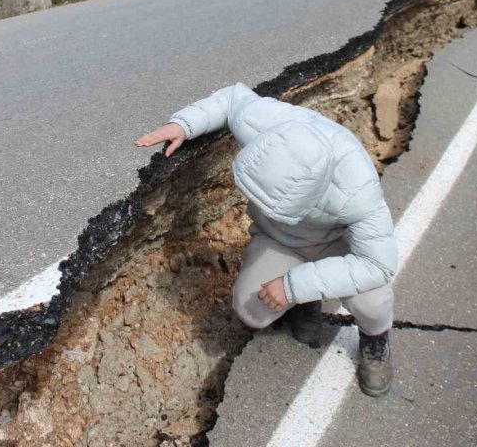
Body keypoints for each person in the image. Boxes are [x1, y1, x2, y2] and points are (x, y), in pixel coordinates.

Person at [136, 82, 398, 397]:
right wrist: (184, 124)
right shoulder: (269, 123)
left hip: (337, 245)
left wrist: (293, 287)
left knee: (372, 301)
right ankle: (307, 302)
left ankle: (375, 339)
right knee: (252, 310)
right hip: (281, 239)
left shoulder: (359, 190)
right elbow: (232, 98)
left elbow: (377, 264)